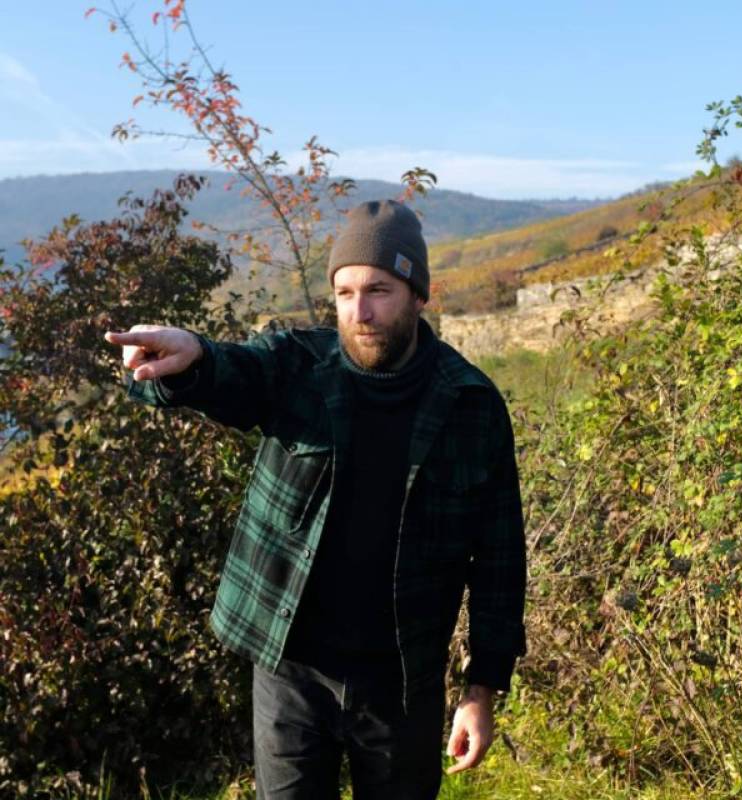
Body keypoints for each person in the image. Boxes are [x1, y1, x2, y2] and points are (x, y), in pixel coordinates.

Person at [105, 199, 527, 800]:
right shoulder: (298, 367)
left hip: (401, 685)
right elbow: (233, 373)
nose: (360, 312)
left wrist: (481, 691)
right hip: (291, 674)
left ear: (418, 294)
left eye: (379, 290)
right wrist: (186, 362)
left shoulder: (471, 406)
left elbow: (500, 563)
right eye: (345, 292)